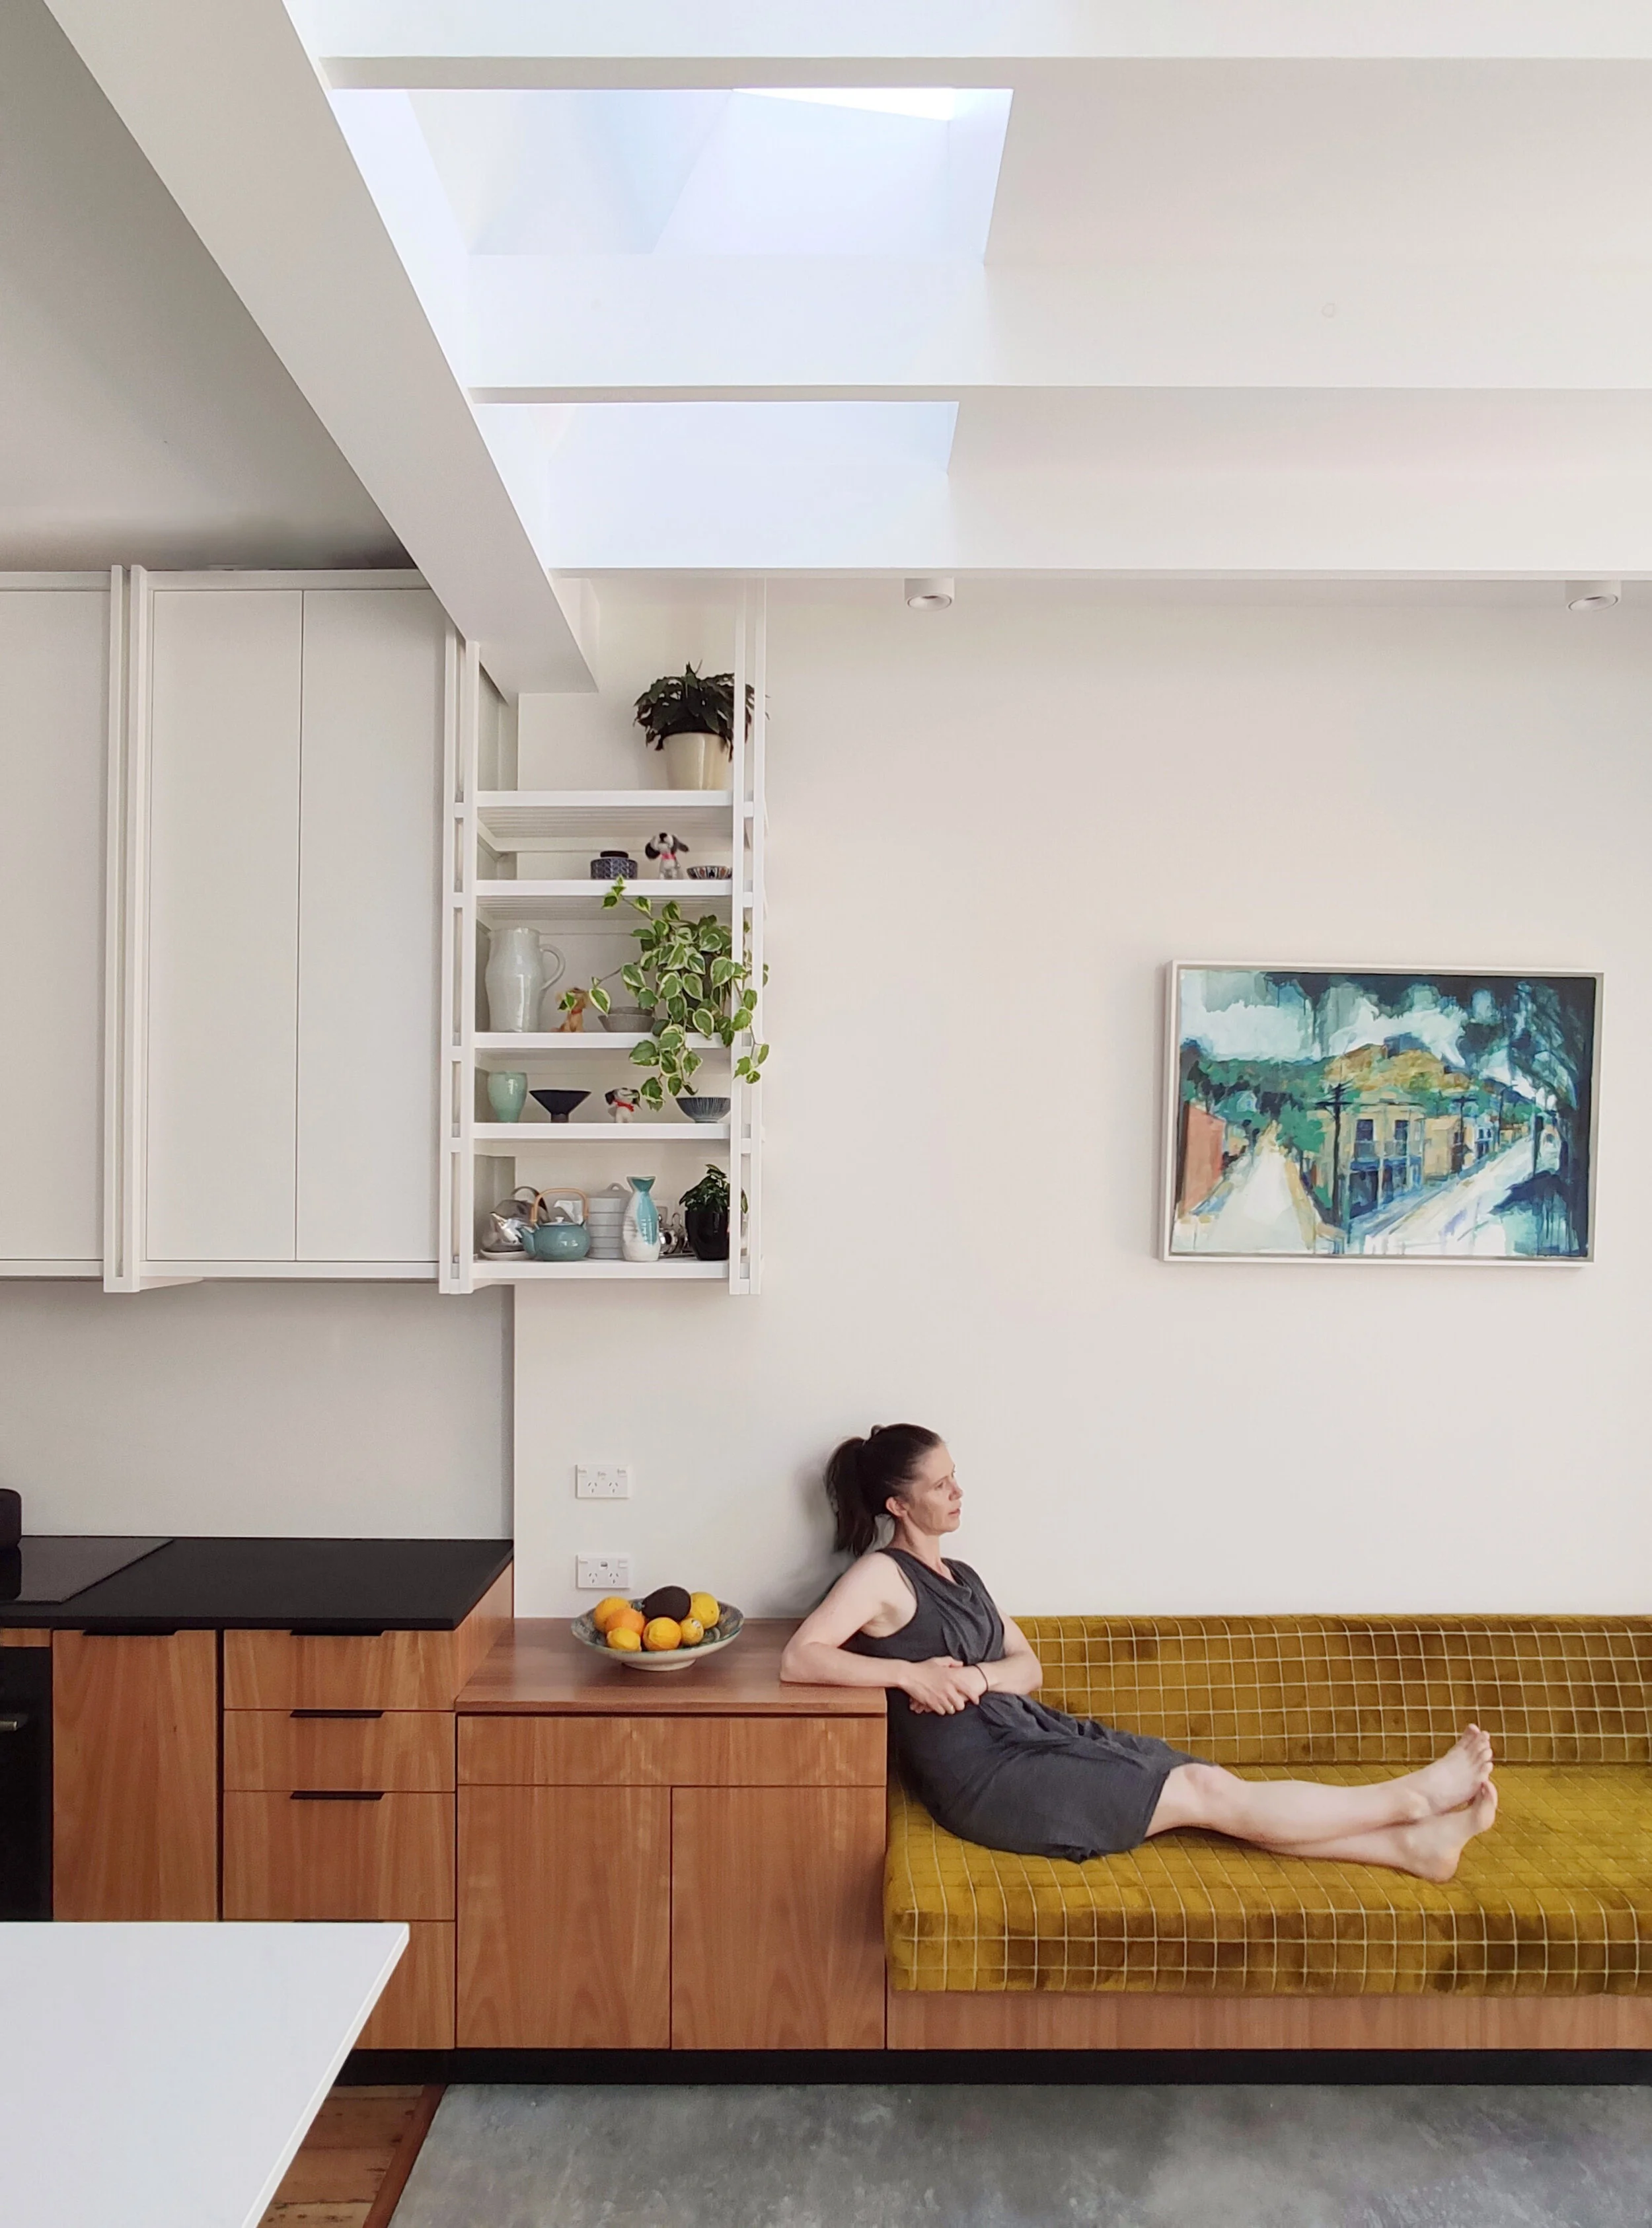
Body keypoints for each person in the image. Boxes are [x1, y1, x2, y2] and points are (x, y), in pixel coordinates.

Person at [779, 1425, 1499, 1878]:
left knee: (1206, 1786)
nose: (958, 1492)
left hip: (1029, 1741)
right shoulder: (882, 1576)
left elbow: (1028, 1670)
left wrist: (971, 1676)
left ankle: (1409, 1850)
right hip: (987, 1784)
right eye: (940, 1485)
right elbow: (801, 1657)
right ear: (898, 1507)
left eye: (954, 1475)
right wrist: (904, 1672)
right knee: (1205, 1794)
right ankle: (1409, 1800)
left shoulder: (964, 1578)